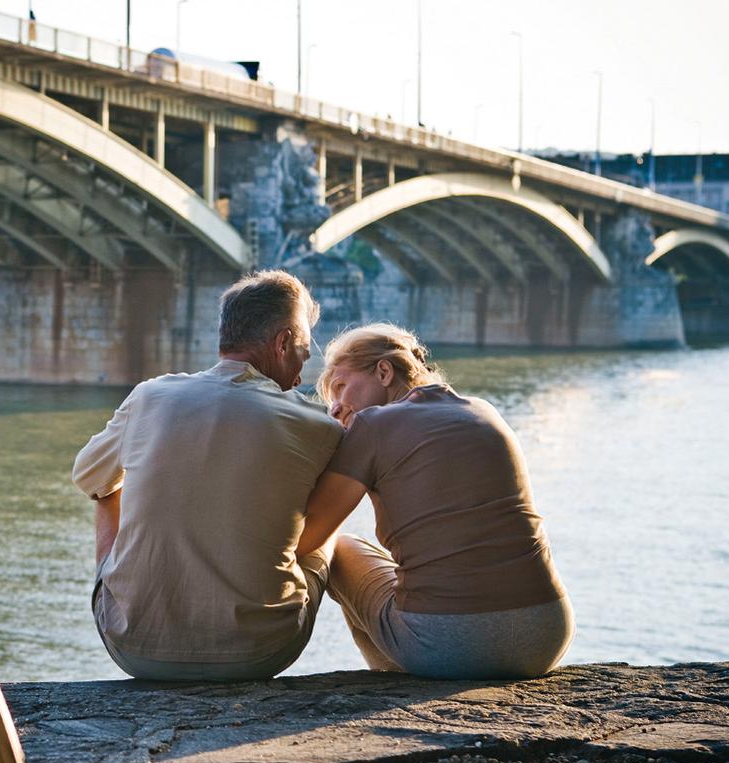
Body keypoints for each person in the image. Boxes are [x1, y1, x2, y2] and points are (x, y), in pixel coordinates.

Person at [72, 270, 342, 681]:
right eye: (303, 355)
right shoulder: (316, 424)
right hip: (259, 653)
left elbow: (87, 476)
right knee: (333, 529)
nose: (300, 378)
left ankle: (133, 602)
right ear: (283, 342)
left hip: (132, 647)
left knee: (105, 487)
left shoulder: (150, 396)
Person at [298, 323, 574, 680]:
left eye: (340, 387)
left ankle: (392, 680)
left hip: (447, 644)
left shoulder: (371, 425)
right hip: (546, 635)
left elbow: (308, 538)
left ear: (384, 371)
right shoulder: (483, 410)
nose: (336, 408)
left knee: (341, 548)